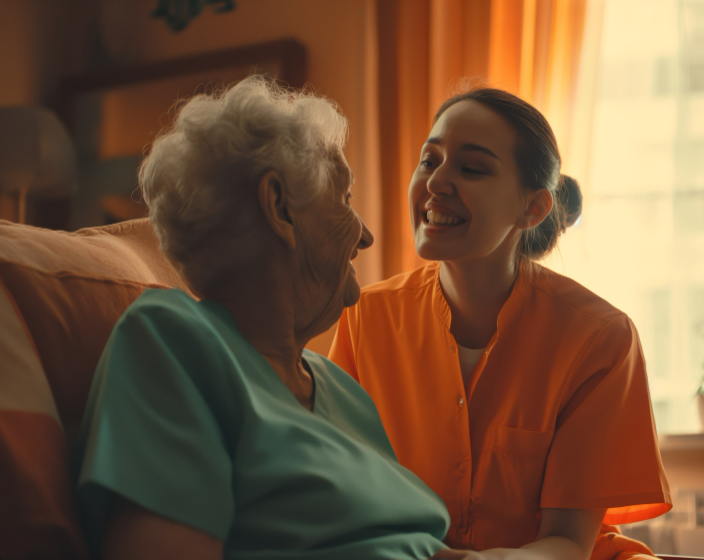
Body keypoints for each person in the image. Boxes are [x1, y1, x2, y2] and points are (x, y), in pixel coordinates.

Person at [73, 77, 451, 560]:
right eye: (345, 200)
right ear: (279, 207)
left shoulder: (344, 391)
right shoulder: (173, 343)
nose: (365, 236)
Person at [329, 88, 672, 560]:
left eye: (471, 168)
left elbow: (567, 542)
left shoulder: (600, 339)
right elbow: (341, 498)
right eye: (429, 161)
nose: (436, 182)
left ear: (532, 208)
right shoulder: (365, 317)